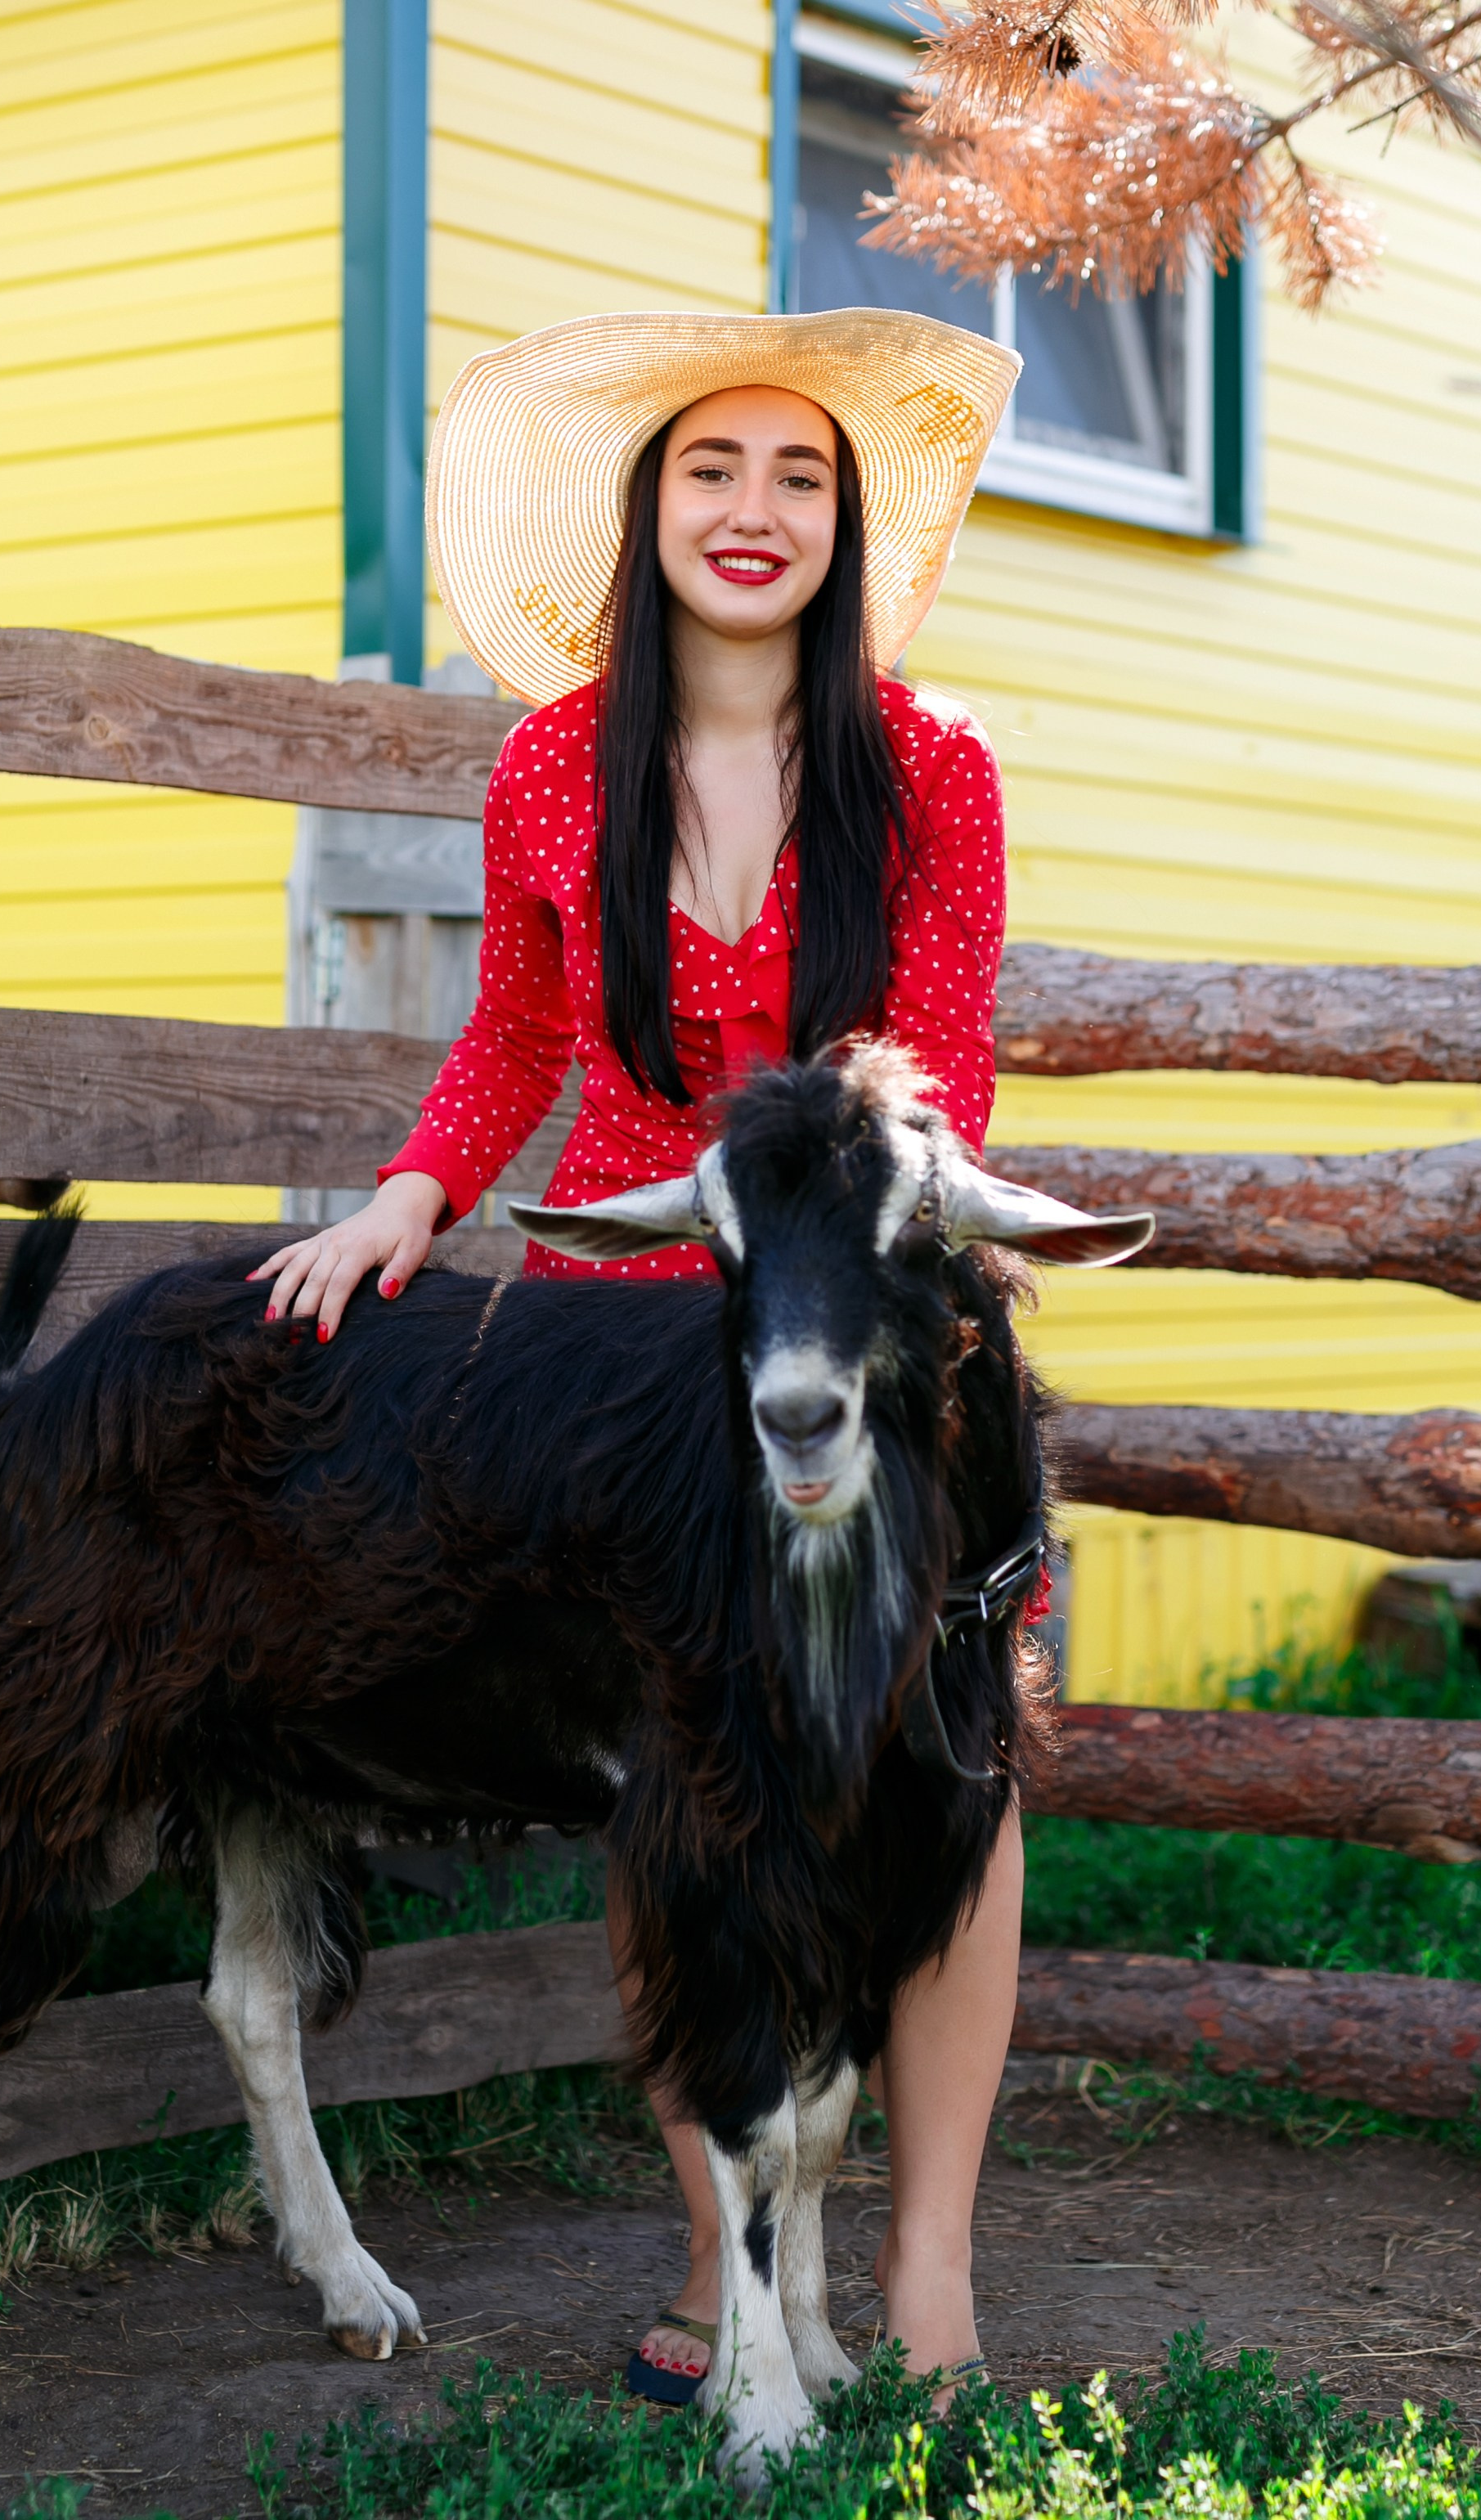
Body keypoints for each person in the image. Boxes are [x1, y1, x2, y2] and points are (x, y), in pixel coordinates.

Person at [253, 309, 1024, 2407]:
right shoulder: (544, 765)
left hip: (855, 1301)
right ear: (646, 506)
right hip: (616, 1326)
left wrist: (810, 1256)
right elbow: (514, 1038)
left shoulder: (930, 761)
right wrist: (412, 1194)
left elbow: (933, 1075)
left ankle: (928, 2270)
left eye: (798, 476)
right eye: (711, 471)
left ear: (847, 519)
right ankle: (724, 2254)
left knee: (946, 1736)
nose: (752, 512)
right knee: (672, 1775)